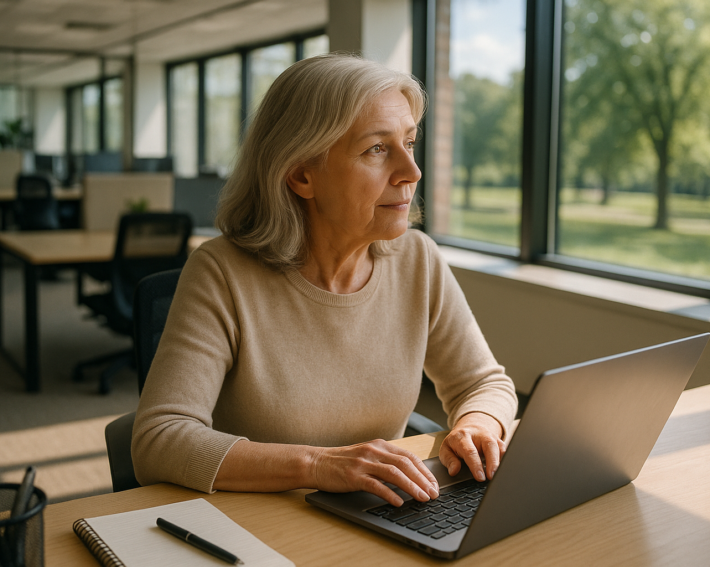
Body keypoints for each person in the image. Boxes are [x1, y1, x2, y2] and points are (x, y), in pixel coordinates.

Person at [131, 54, 518, 507]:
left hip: (384, 513)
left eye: (409, 143)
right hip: (262, 526)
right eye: (377, 149)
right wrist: (318, 465)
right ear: (300, 174)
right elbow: (158, 440)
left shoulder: (418, 258)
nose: (411, 172)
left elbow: (484, 385)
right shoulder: (221, 273)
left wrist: (478, 425)